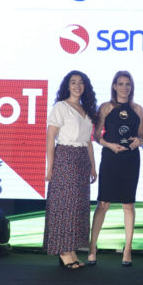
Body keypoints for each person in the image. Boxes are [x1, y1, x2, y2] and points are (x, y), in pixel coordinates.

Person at [89, 71, 143, 267]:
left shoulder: (137, 109)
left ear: (131, 87)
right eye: (120, 84)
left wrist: (139, 141)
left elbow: (141, 135)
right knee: (103, 203)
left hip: (130, 159)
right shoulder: (106, 107)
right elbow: (96, 135)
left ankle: (127, 249)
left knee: (128, 204)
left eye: (127, 84)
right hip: (111, 157)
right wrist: (110, 145)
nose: (124, 87)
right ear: (114, 86)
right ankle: (92, 247)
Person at [43, 70, 98, 269]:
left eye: (81, 82)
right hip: (66, 157)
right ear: (67, 86)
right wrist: (50, 167)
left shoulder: (85, 109)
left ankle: (71, 249)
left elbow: (89, 141)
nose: (77, 86)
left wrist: (93, 166)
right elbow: (51, 137)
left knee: (77, 207)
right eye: (73, 82)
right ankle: (64, 251)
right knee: (65, 206)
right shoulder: (61, 107)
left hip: (82, 158)